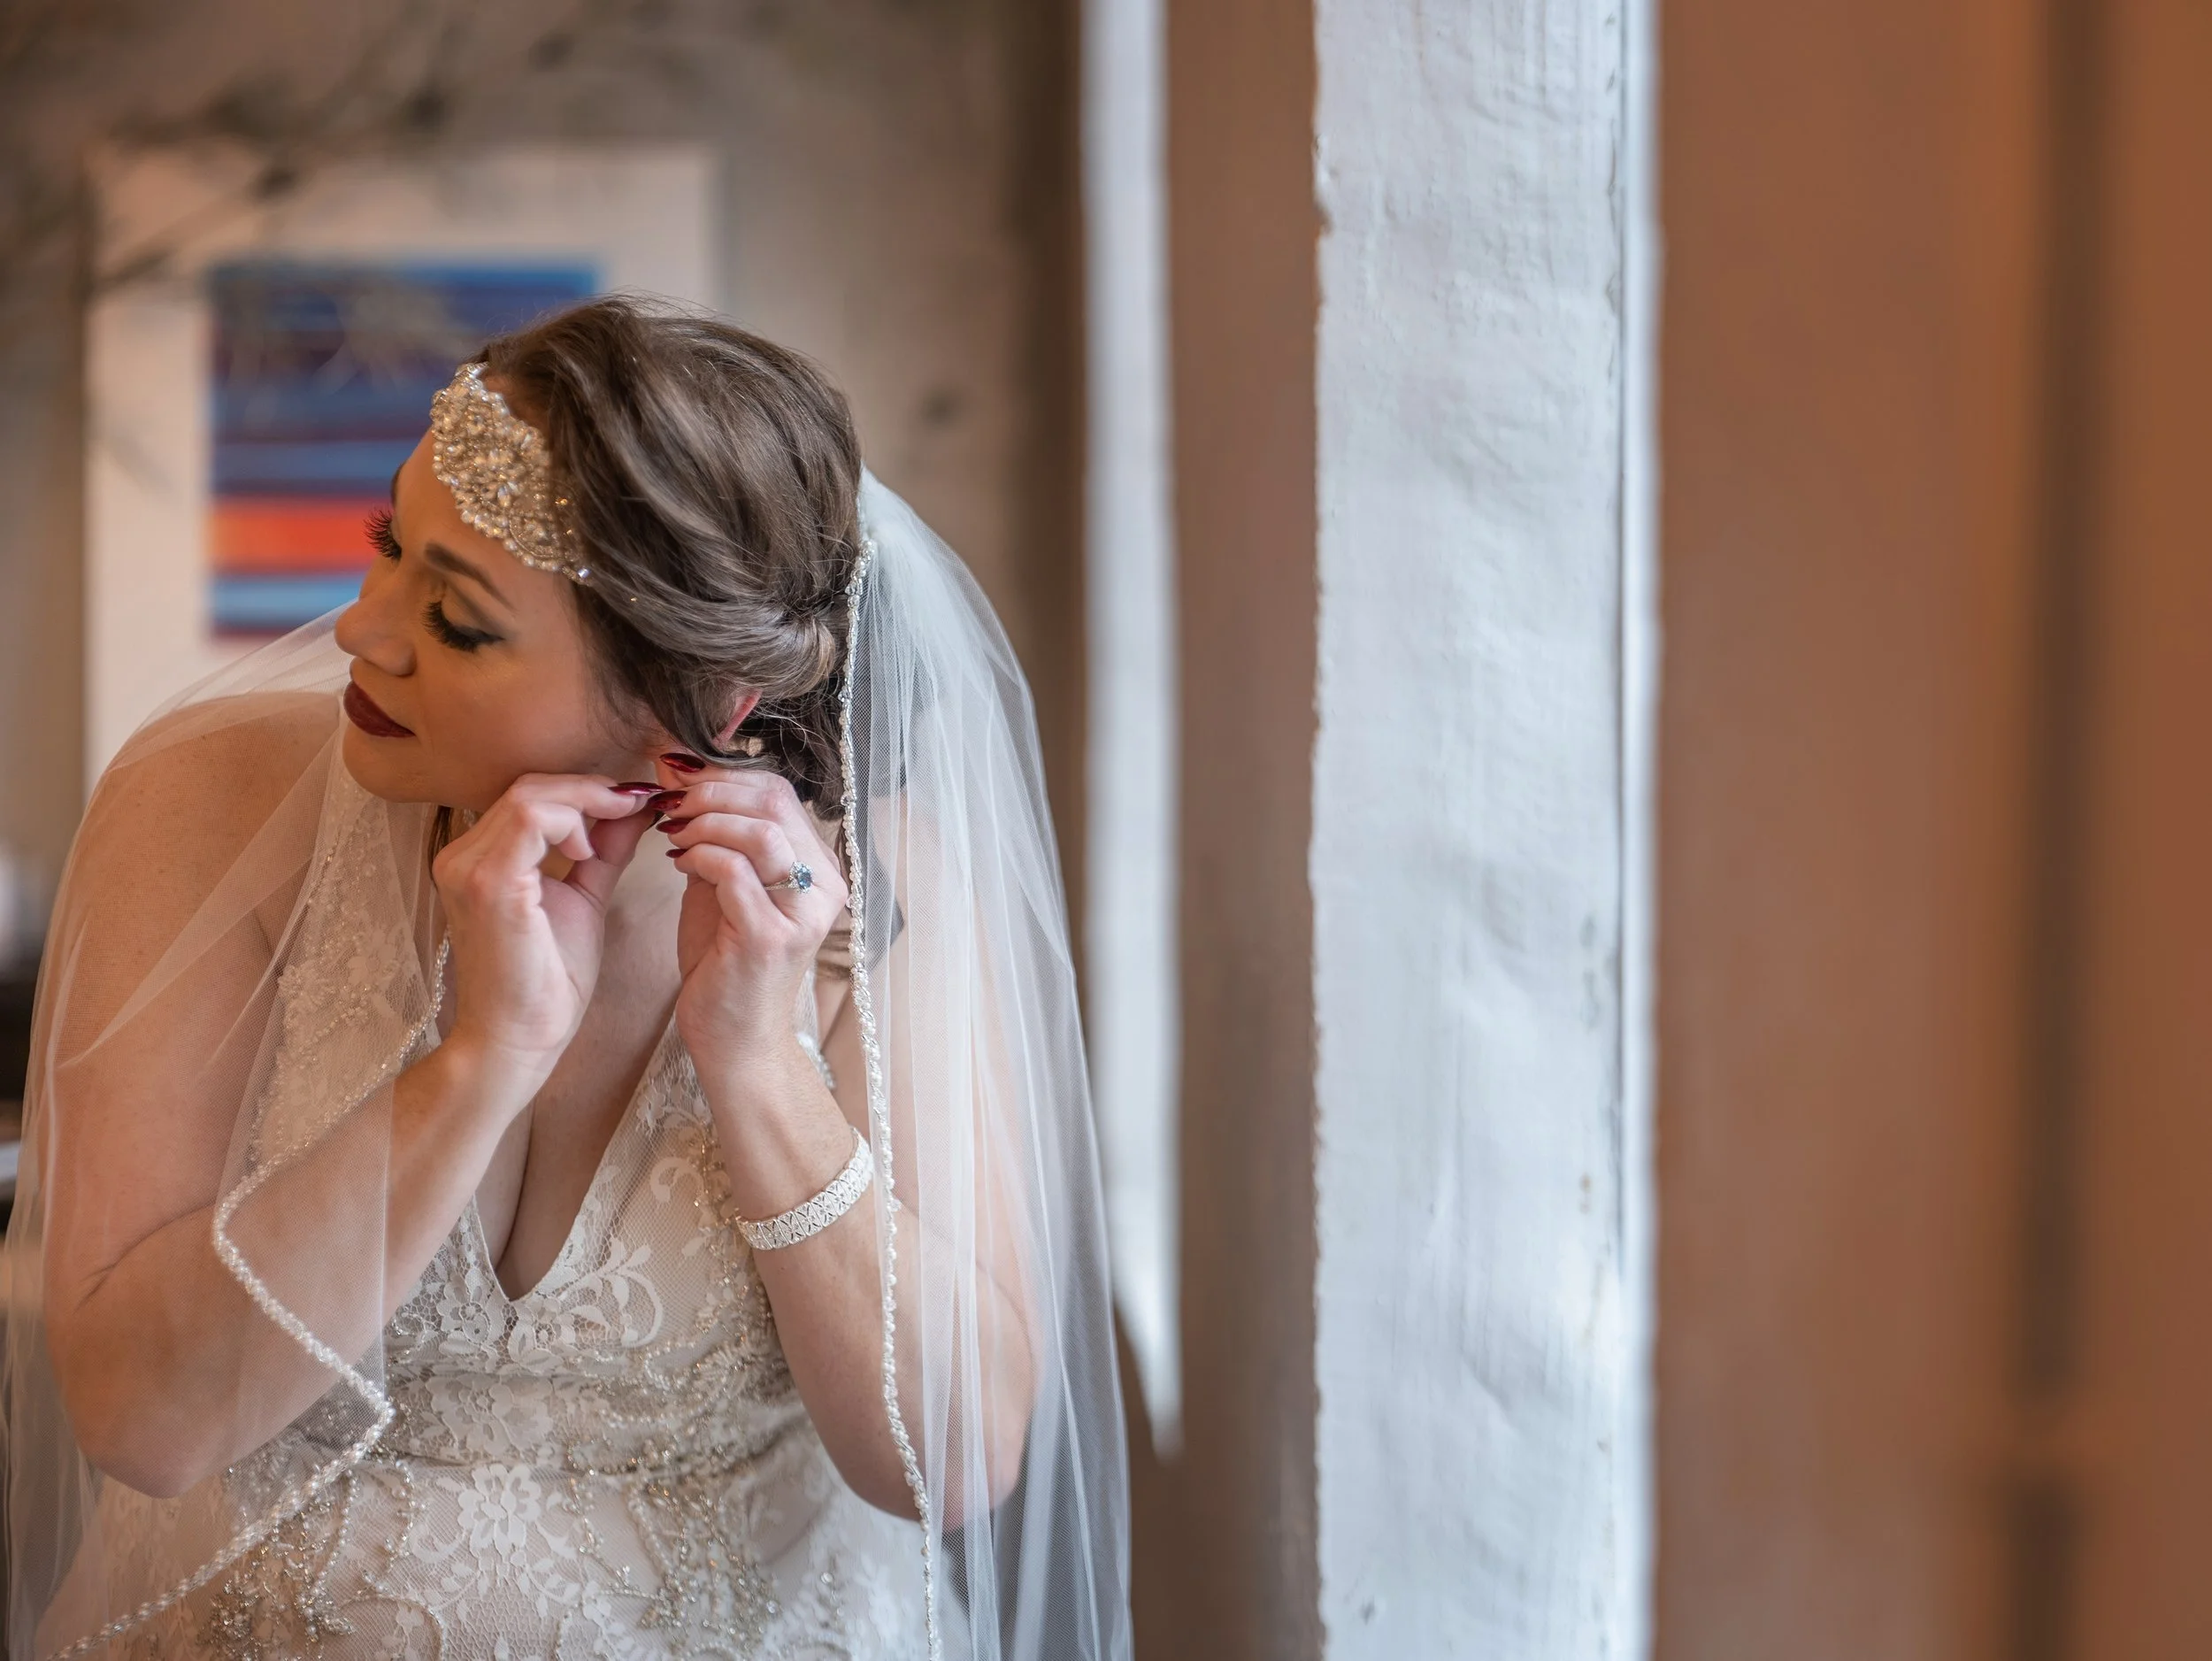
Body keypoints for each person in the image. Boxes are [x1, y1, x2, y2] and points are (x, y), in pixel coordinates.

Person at [2, 297, 1130, 1659]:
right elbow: (142, 1421)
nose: (364, 631)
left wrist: (763, 1065)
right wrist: (476, 1065)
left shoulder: (890, 884)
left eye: (460, 622)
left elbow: (951, 1463)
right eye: (388, 551)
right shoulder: (205, 808)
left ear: (703, 707)